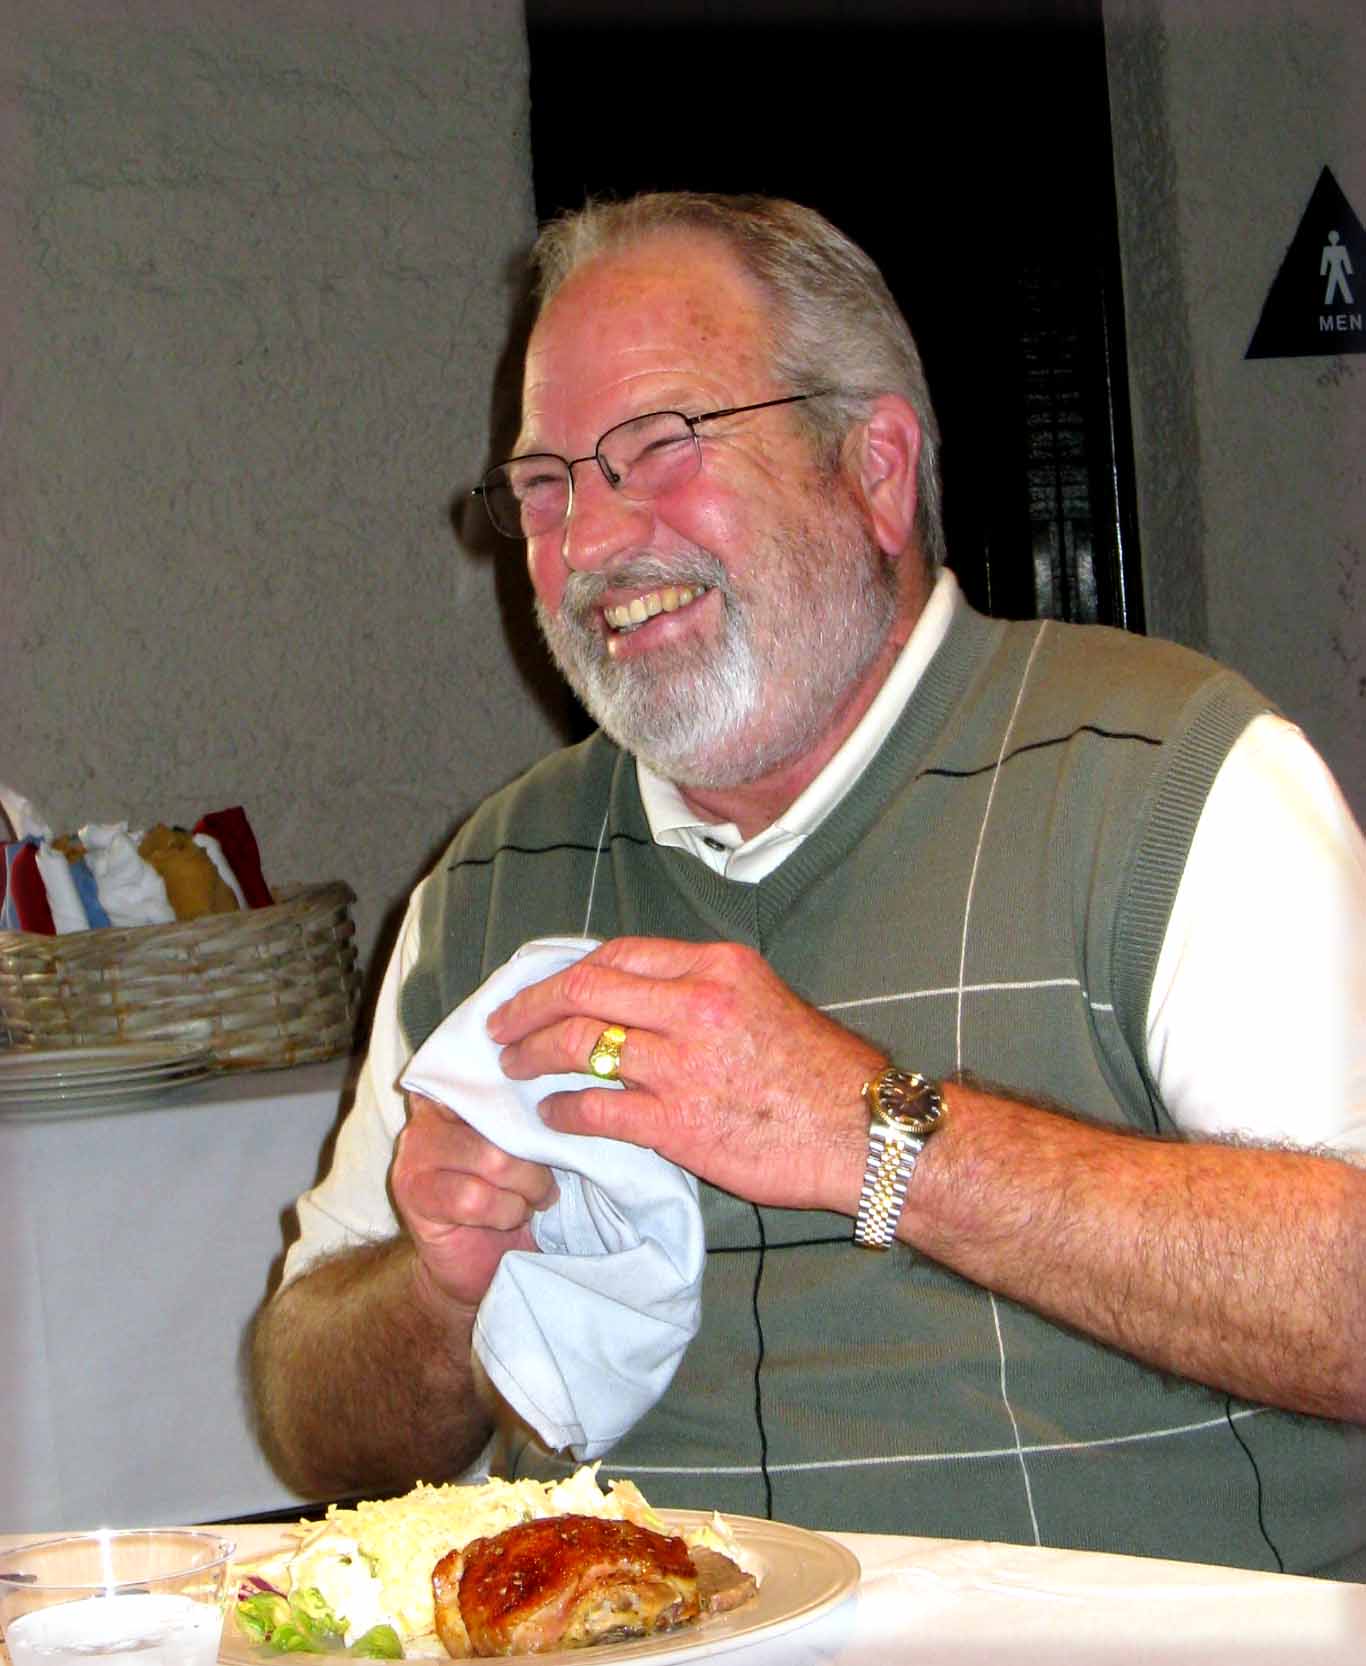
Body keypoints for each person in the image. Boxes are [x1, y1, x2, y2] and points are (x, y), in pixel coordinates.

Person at [251, 192, 1366, 1578]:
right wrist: (434, 1287)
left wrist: (880, 1138)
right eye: (545, 486)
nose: (587, 544)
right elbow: (315, 1426)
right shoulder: (490, 879)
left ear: (876, 469)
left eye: (659, 448)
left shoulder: (1167, 781)